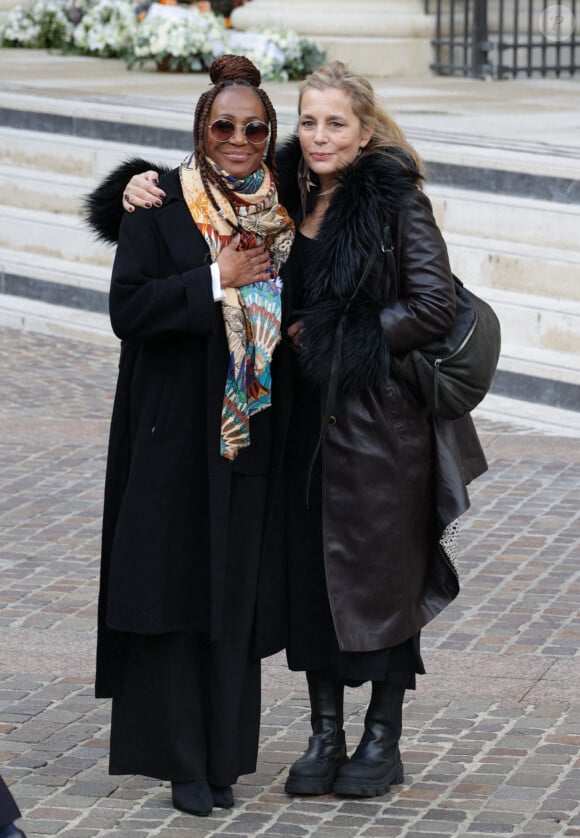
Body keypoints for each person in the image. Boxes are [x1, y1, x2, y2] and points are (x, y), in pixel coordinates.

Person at [89, 61, 487, 801]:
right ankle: (325, 732)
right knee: (311, 584)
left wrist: (340, 338)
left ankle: (380, 738)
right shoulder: (284, 188)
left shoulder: (393, 203)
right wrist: (130, 187)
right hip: (296, 429)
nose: (318, 135)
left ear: (364, 131)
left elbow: (432, 307)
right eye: (308, 121)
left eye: (335, 122)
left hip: (376, 428)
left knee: (382, 579)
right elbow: (195, 187)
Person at [85, 54, 295, 817]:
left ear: (270, 135)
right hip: (172, 433)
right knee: (175, 590)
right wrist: (215, 281)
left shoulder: (281, 207)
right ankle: (181, 763)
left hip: (248, 437)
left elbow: (353, 154)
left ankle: (225, 756)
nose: (238, 138)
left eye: (253, 127)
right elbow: (128, 312)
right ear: (200, 131)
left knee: (231, 599)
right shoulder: (159, 205)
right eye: (224, 125)